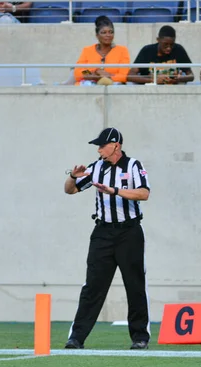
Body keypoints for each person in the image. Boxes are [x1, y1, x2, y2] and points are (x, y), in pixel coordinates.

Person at [64, 127, 151, 350]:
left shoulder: (133, 165)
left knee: (134, 284)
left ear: (116, 145)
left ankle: (140, 336)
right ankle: (77, 337)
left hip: (129, 232)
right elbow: (70, 191)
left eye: (102, 145)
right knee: (93, 285)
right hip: (103, 232)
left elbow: (144, 193)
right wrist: (73, 176)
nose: (99, 149)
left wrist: (114, 190)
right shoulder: (95, 168)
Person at [127, 25, 194, 85]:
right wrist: (153, 80)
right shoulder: (147, 50)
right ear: (158, 40)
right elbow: (130, 76)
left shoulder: (179, 49)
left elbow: (191, 76)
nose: (169, 48)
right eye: (165, 44)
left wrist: (179, 79)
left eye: (172, 44)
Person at [74, 16, 130, 86]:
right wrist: (95, 72)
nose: (108, 35)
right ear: (97, 35)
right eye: (103, 33)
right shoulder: (87, 50)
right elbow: (79, 71)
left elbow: (123, 75)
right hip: (90, 84)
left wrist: (107, 76)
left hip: (113, 84)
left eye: (111, 32)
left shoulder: (122, 50)